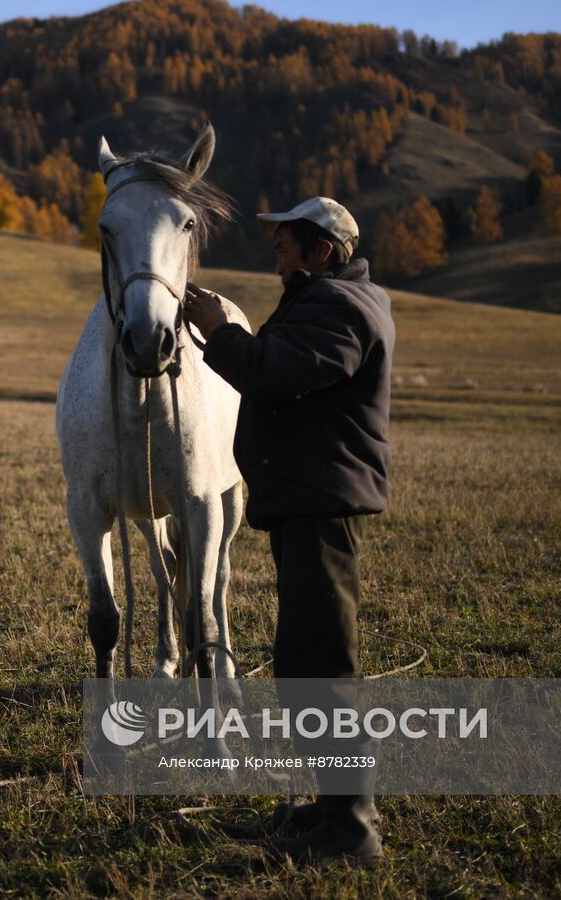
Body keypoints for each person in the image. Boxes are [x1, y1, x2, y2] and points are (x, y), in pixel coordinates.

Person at [181, 196, 394, 867]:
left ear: (321, 251)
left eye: (284, 244)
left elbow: (271, 370)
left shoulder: (341, 308)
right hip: (305, 499)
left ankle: (352, 830)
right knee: (306, 658)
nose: (274, 254)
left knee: (322, 664)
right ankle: (336, 806)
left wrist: (218, 330)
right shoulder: (321, 301)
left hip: (319, 505)